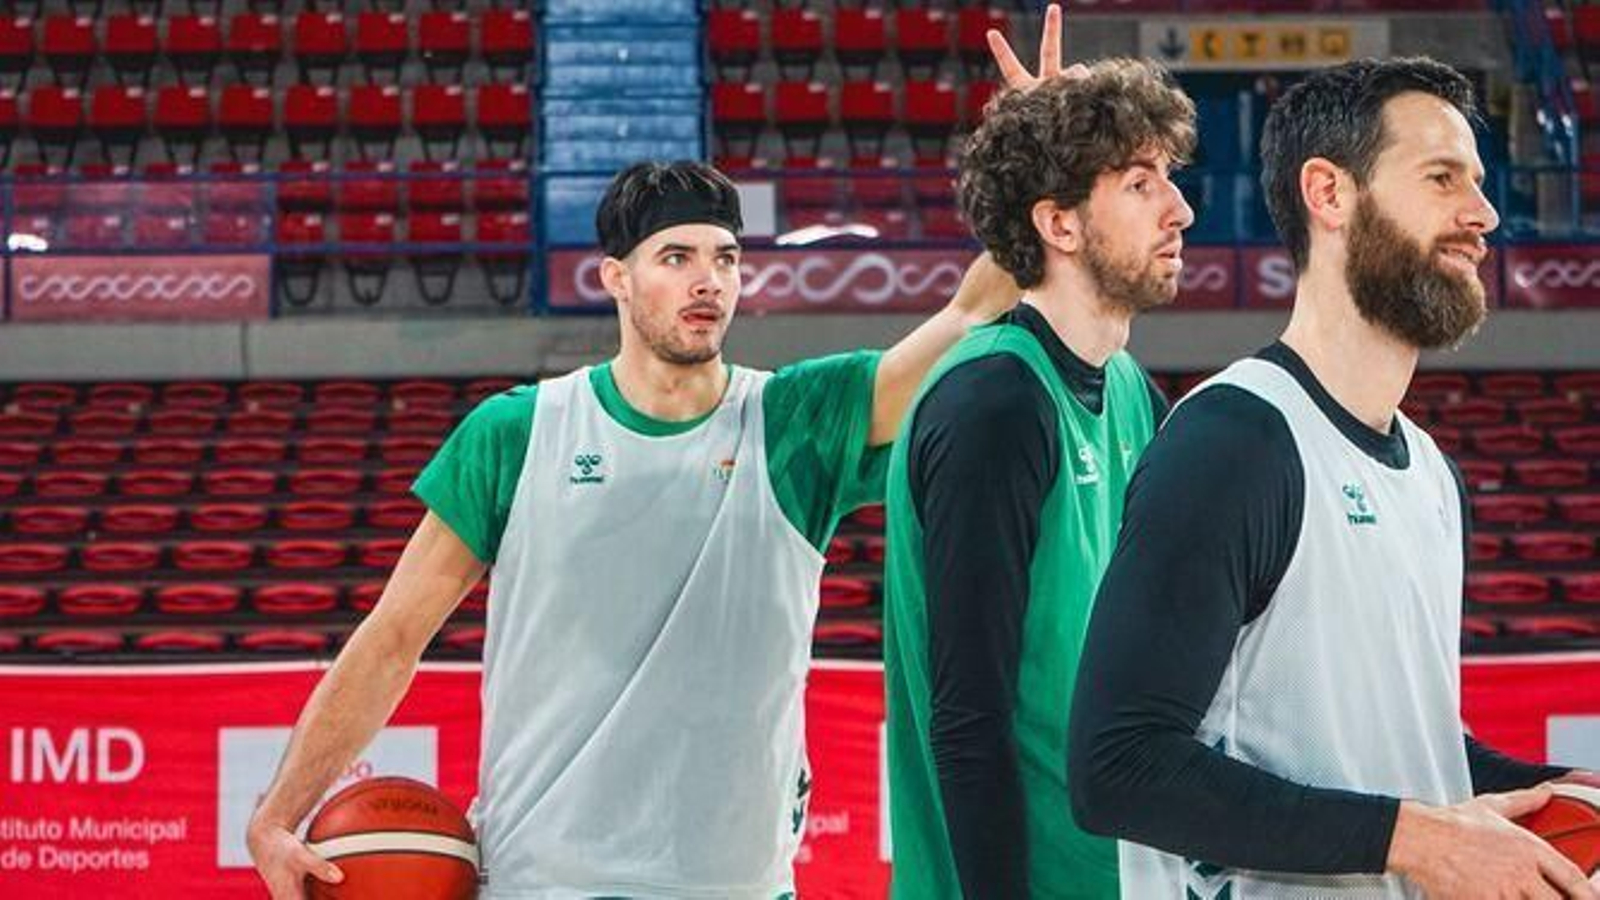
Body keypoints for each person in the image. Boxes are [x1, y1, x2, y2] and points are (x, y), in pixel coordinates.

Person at [246, 160, 1019, 900]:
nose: (706, 279)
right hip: (541, 880)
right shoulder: (517, 432)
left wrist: (1045, 167)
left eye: (725, 257)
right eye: (675, 256)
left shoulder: (792, 423)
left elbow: (971, 313)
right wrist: (279, 814)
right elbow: (392, 637)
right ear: (615, 276)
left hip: (737, 884)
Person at [1068, 57, 1600, 900]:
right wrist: (1419, 840)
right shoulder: (1233, 440)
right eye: (1442, 178)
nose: (1485, 214)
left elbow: (1407, 751)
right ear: (1330, 193)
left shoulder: (1430, 473)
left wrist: (1564, 791)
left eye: (1481, 182)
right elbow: (1119, 765)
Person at [881, 50, 1196, 898]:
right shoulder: (994, 402)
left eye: (1168, 178)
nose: (1181, 210)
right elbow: (968, 719)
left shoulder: (1130, 389)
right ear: (1058, 225)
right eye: (1140, 184)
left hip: (1120, 870)